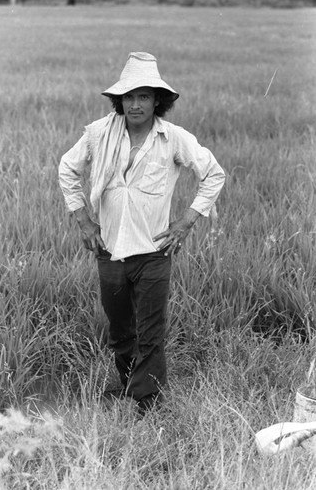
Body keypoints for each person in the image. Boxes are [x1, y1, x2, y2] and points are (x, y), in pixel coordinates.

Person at [58, 52, 225, 415]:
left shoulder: (172, 138)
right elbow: (67, 170)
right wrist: (85, 221)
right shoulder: (99, 133)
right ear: (120, 100)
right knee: (120, 331)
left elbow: (213, 174)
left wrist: (185, 222)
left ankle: (148, 405)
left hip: (153, 252)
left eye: (144, 96)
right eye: (129, 97)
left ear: (157, 101)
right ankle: (131, 386)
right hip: (110, 250)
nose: (136, 104)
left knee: (150, 333)